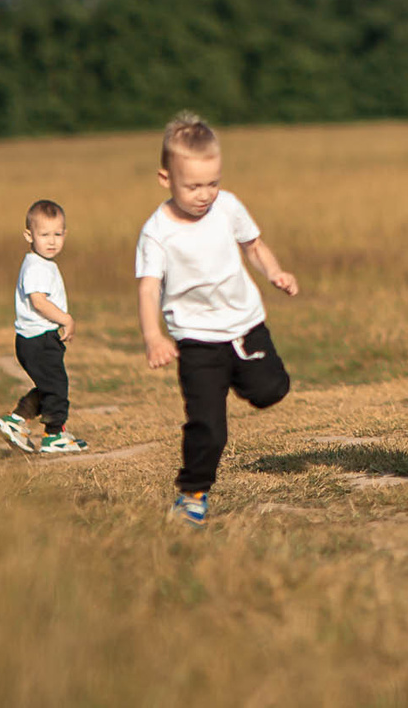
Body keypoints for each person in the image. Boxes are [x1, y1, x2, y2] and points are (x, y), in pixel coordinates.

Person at [137, 111, 299, 526]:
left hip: (245, 326)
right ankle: (192, 494)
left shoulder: (227, 207)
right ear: (165, 179)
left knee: (272, 390)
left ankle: (235, 374)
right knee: (208, 426)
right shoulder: (157, 232)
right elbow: (149, 287)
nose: (205, 194)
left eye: (213, 183)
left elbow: (254, 245)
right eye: (193, 186)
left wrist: (275, 272)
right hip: (196, 341)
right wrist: (154, 336)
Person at [0, 199, 88, 454]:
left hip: (36, 338)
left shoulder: (42, 264)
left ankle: (16, 420)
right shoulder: (36, 267)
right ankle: (54, 435)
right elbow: (38, 302)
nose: (52, 240)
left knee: (50, 385)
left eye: (58, 234)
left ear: (65, 234)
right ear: (29, 235)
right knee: (57, 386)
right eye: (44, 234)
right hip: (37, 339)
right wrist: (65, 319)